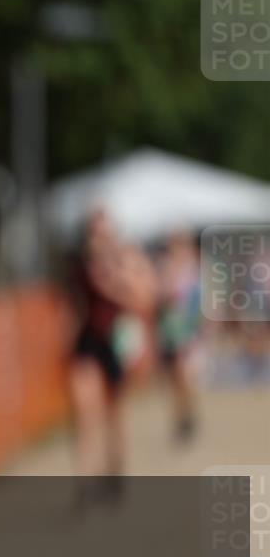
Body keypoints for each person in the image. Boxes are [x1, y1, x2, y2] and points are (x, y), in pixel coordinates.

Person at [67, 208, 155, 510]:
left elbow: (144, 298)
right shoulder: (79, 265)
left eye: (103, 232)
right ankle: (84, 482)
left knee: (114, 414)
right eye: (93, 232)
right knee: (84, 413)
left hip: (117, 343)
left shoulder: (126, 261)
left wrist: (113, 282)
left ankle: (115, 472)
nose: (98, 239)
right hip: (88, 343)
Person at [155, 231, 202, 443]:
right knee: (174, 378)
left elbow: (197, 300)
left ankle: (187, 416)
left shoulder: (192, 268)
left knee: (184, 374)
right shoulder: (165, 267)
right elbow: (159, 295)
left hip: (187, 331)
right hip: (169, 330)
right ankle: (182, 417)